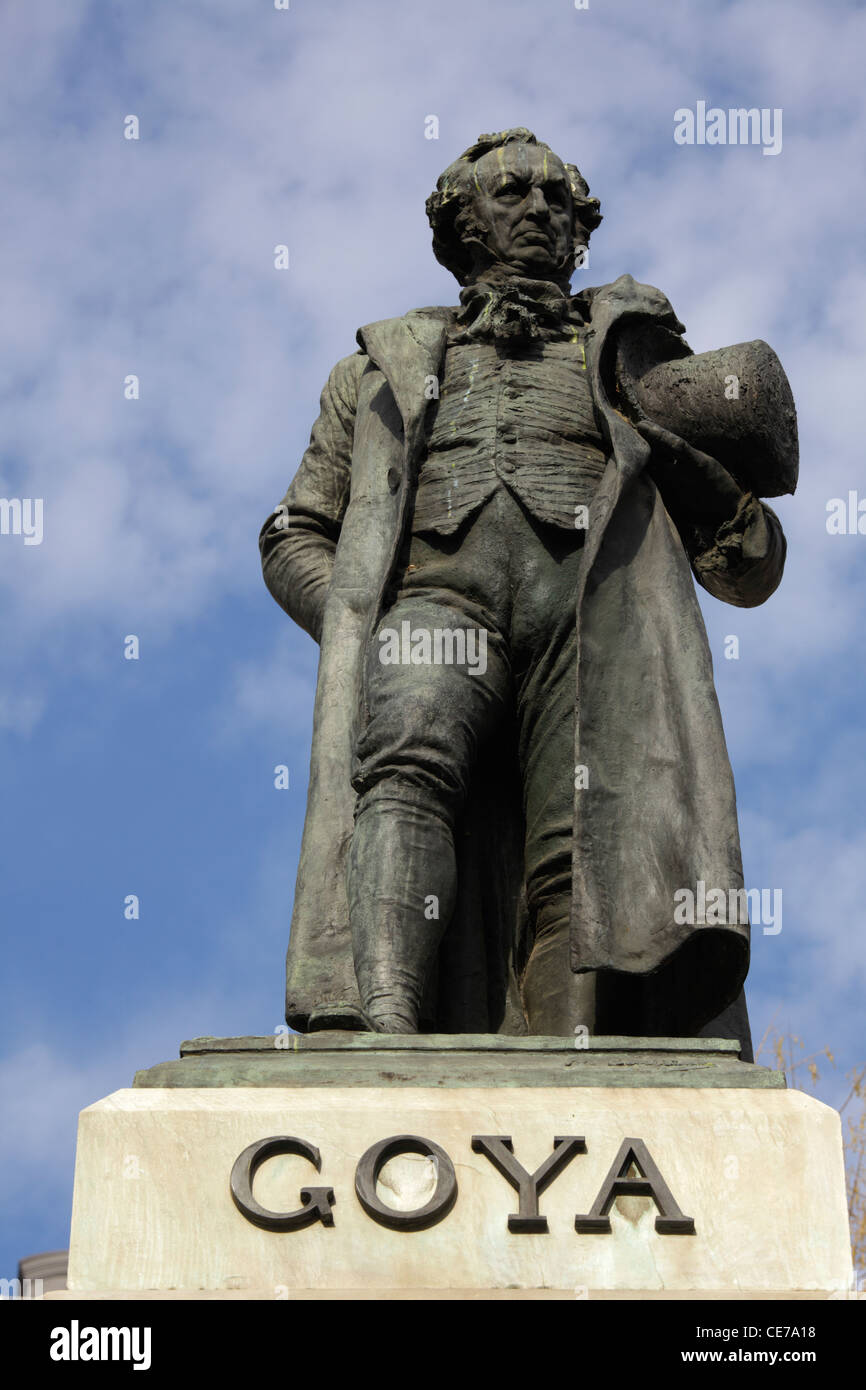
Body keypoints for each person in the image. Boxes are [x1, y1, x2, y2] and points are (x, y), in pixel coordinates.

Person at [259, 129, 792, 1049]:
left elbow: (749, 562)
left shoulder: (639, 363)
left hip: (596, 616)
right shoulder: (371, 376)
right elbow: (293, 533)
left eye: (558, 199)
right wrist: (366, 623)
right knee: (404, 765)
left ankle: (568, 1056)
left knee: (582, 845)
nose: (539, 210)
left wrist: (696, 469)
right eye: (511, 194)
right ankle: (385, 1024)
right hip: (437, 602)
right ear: (462, 223)